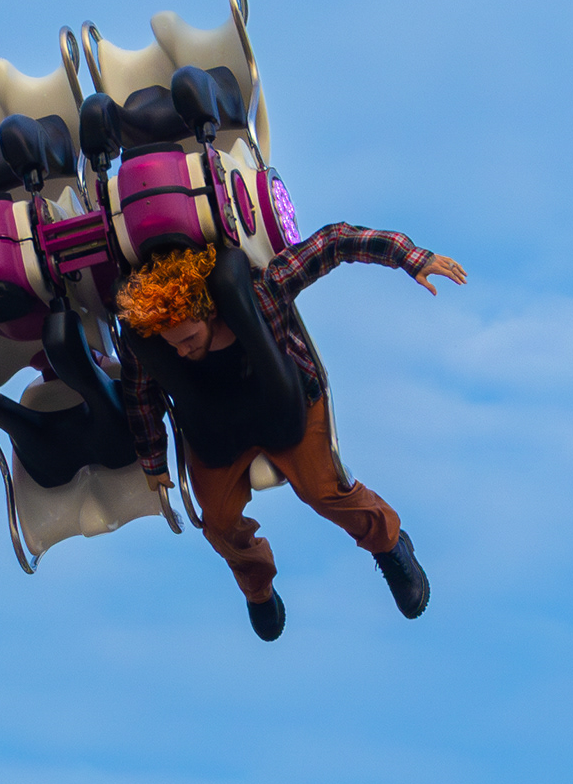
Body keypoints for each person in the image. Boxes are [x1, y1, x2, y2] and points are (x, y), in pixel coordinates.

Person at [110, 224, 467, 638]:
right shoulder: (156, 341)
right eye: (173, 346)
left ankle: (390, 546)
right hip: (216, 423)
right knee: (218, 522)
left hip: (284, 402)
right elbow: (140, 396)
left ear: (209, 311)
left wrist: (410, 255)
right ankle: (258, 589)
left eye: (189, 339)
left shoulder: (262, 292)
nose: (181, 351)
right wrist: (153, 458)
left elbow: (334, 243)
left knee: (325, 491)